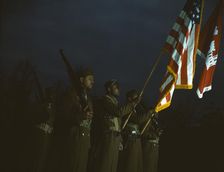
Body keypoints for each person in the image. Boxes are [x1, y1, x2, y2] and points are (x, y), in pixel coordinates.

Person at [93, 80, 135, 172]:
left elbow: (118, 121)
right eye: (115, 87)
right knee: (106, 164)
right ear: (108, 89)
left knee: (113, 165)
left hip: (115, 136)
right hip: (108, 135)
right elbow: (118, 112)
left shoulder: (114, 102)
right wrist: (131, 105)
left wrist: (120, 138)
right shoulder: (105, 100)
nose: (118, 89)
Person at [117, 89, 151, 172]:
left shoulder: (136, 110)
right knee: (130, 164)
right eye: (135, 97)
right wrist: (149, 113)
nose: (138, 99)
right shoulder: (127, 108)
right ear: (129, 98)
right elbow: (137, 120)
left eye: (138, 97)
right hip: (129, 139)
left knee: (137, 165)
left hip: (136, 139)